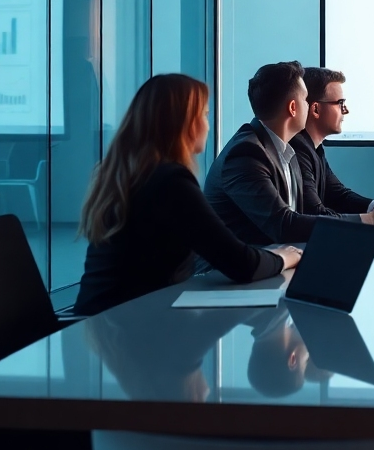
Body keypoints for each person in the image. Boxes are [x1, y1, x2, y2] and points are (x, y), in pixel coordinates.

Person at [74, 74, 299, 317]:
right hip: (128, 327)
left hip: (99, 326)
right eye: (203, 114)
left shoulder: (126, 175)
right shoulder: (170, 182)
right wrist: (283, 256)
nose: (207, 124)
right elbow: (242, 264)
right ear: (184, 122)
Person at [205, 61, 374, 246]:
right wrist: (370, 220)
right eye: (306, 100)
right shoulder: (246, 155)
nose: (310, 105)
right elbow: (284, 225)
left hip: (271, 263)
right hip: (228, 276)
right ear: (293, 108)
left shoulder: (283, 148)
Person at [289, 66, 374, 217]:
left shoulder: (314, 148)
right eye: (340, 103)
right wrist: (373, 219)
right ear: (316, 109)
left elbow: (337, 195)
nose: (345, 110)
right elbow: (315, 213)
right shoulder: (297, 149)